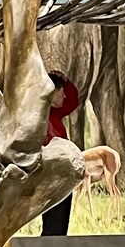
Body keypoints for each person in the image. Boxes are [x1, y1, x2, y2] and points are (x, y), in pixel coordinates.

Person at [39, 71, 81, 236]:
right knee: (53, 224)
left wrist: (66, 82)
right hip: (49, 177)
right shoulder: (38, 115)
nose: (64, 96)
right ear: (51, 91)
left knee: (60, 223)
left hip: (62, 177)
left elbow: (72, 101)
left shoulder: (55, 114)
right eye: (61, 91)